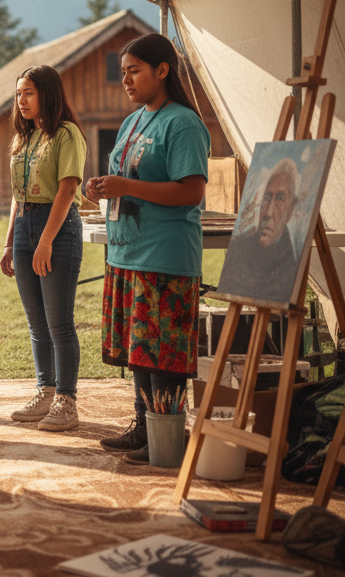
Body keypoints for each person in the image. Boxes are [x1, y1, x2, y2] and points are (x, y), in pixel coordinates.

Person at [83, 34, 209, 464]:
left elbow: (191, 191)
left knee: (164, 353)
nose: (126, 80)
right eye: (123, 73)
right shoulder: (133, 121)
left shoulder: (183, 123)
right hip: (126, 254)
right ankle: (143, 427)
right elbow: (126, 179)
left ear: (162, 70)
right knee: (139, 349)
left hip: (165, 255)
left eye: (134, 70)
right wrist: (100, 187)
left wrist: (125, 185)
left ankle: (168, 435)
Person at [0, 65, 87, 432]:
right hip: (24, 226)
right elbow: (18, 198)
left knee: (59, 322)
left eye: (29, 93)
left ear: (47, 95)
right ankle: (45, 393)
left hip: (58, 226)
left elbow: (67, 190)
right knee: (37, 323)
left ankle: (67, 401)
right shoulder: (23, 137)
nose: (21, 100)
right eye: (19, 93)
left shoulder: (66, 134)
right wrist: (9, 243)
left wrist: (46, 241)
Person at [219, 158, 300, 304]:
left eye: (280, 198)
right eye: (267, 197)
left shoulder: (290, 263)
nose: (268, 212)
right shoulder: (240, 245)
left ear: (291, 208)